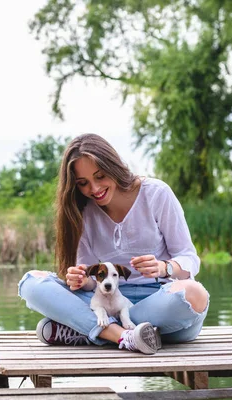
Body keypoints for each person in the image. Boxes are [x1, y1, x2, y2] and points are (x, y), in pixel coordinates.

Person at [18, 133, 209, 354]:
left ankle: (87, 329)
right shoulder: (82, 212)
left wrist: (163, 267)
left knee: (194, 294)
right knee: (31, 284)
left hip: (159, 301)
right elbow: (91, 283)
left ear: (113, 165)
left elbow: (189, 258)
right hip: (106, 300)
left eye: (100, 176)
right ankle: (123, 336)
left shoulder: (156, 194)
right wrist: (81, 280)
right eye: (83, 183)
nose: (94, 189)